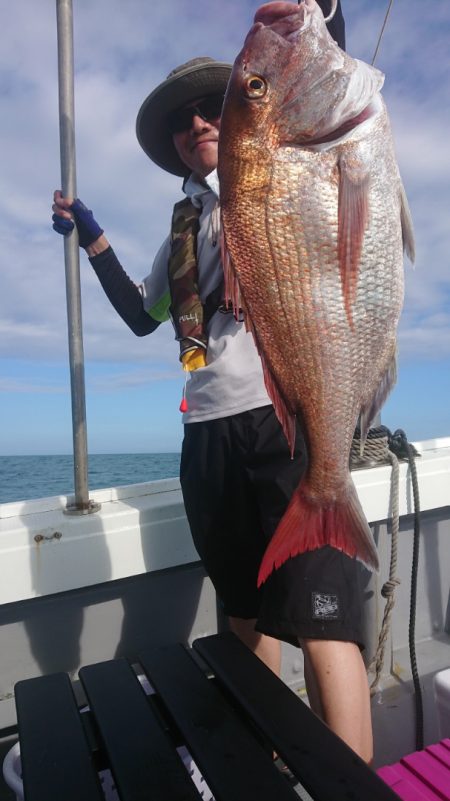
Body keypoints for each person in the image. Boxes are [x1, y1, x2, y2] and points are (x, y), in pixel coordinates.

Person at [52, 1, 374, 764]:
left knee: (326, 625)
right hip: (209, 435)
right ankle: (263, 770)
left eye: (211, 107)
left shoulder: (282, 166)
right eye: (184, 119)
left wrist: (322, 17)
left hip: (287, 419)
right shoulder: (185, 227)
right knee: (244, 616)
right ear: (172, 143)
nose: (199, 122)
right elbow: (142, 313)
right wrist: (93, 236)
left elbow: (318, 107)